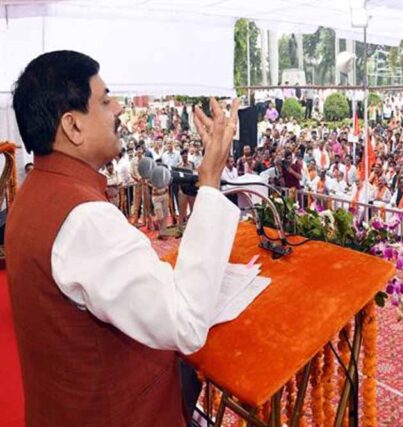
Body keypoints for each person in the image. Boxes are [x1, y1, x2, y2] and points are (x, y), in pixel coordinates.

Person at [6, 50, 240, 426]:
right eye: (105, 100)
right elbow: (185, 323)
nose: (118, 109)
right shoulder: (85, 218)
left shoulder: (35, 193)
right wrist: (210, 179)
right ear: (73, 126)